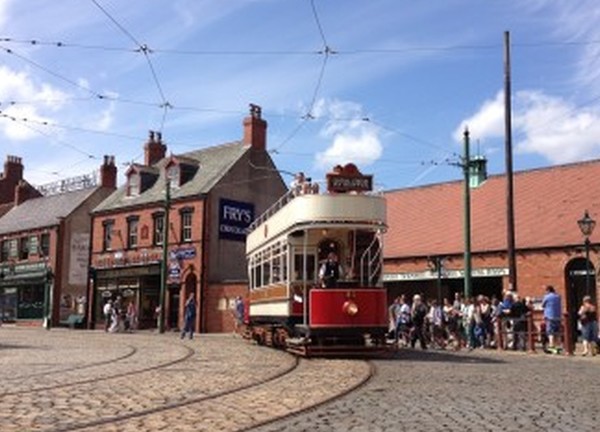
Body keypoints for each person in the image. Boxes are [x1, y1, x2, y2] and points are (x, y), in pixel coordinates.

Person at [541, 285, 562, 353]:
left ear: (548, 290)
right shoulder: (558, 296)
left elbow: (542, 305)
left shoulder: (547, 297)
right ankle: (558, 346)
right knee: (557, 332)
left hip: (550, 316)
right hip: (558, 316)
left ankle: (551, 346)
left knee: (550, 332)